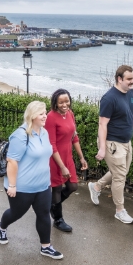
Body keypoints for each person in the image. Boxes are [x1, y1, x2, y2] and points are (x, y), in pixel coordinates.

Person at [0, 101, 64, 259]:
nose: (45, 116)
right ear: (32, 116)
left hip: (43, 185)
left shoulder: (44, 132)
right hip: (21, 186)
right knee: (16, 213)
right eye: (41, 113)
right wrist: (12, 185)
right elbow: (12, 162)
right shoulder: (20, 135)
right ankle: (1, 227)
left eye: (45, 112)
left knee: (43, 214)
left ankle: (46, 247)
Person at [88, 65, 133, 224]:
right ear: (119, 79)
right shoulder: (109, 98)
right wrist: (102, 147)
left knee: (120, 173)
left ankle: (96, 187)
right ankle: (120, 211)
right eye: (129, 79)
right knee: (120, 177)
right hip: (112, 144)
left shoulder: (131, 93)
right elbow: (102, 125)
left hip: (126, 142)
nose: (132, 82)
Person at [44, 89, 88, 232]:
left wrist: (81, 157)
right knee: (56, 188)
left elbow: (74, 137)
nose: (64, 104)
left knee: (72, 186)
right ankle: (58, 219)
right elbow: (52, 144)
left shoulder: (70, 114)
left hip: (67, 156)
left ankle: (51, 206)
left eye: (67, 101)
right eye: (61, 102)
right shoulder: (51, 117)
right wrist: (62, 166)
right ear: (55, 103)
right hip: (55, 158)